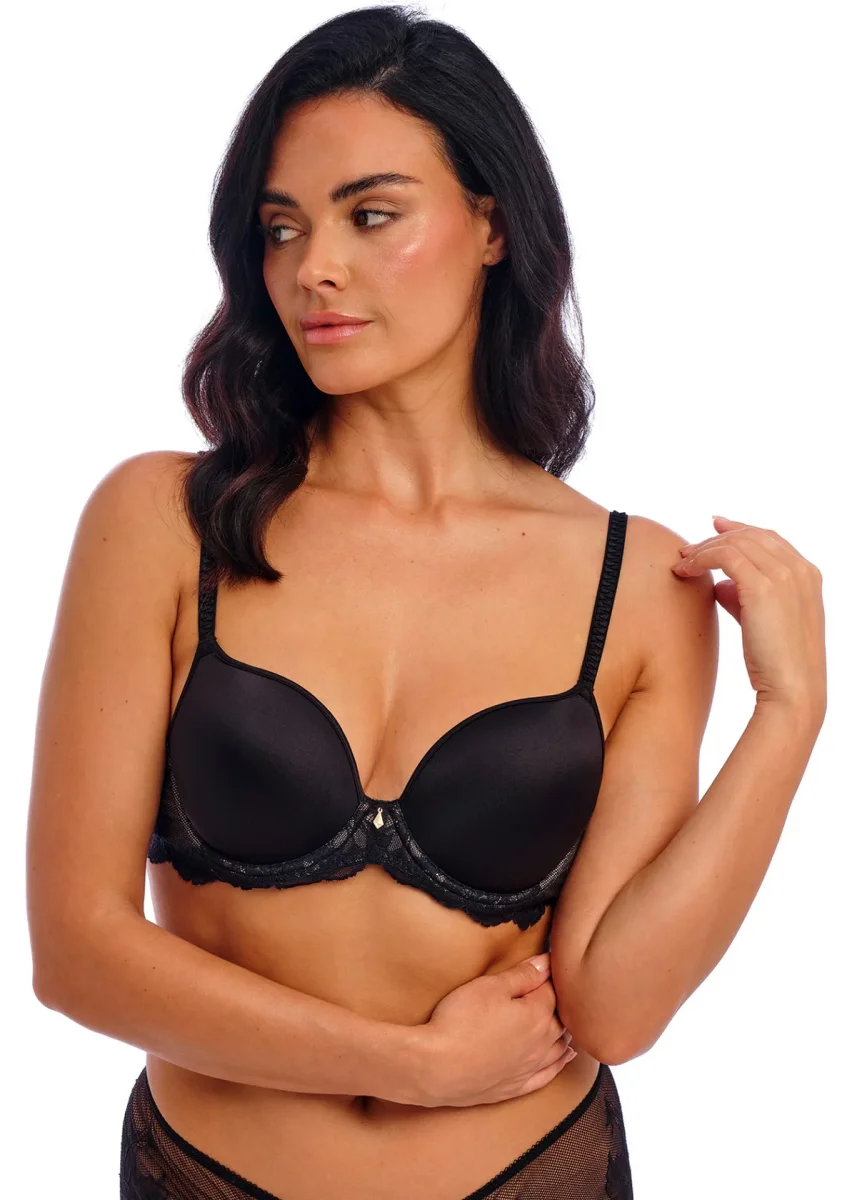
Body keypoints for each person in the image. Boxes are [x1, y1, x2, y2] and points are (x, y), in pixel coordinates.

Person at [26, 7, 826, 1198]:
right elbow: (76, 954)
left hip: (535, 1172)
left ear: (490, 225)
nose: (314, 268)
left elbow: (614, 1008)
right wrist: (409, 1066)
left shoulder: (632, 583)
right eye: (281, 227)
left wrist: (788, 715)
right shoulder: (164, 524)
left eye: (370, 214)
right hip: (206, 1175)